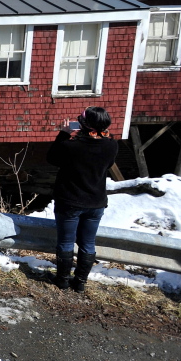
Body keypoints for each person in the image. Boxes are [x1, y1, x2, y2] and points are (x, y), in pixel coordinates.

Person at [46, 106, 118, 293]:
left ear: (83, 124)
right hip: (96, 203)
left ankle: (62, 280)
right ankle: (80, 282)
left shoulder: (71, 146)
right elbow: (108, 164)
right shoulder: (112, 145)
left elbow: (52, 158)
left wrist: (64, 133)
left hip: (70, 201)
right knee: (88, 243)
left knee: (66, 242)